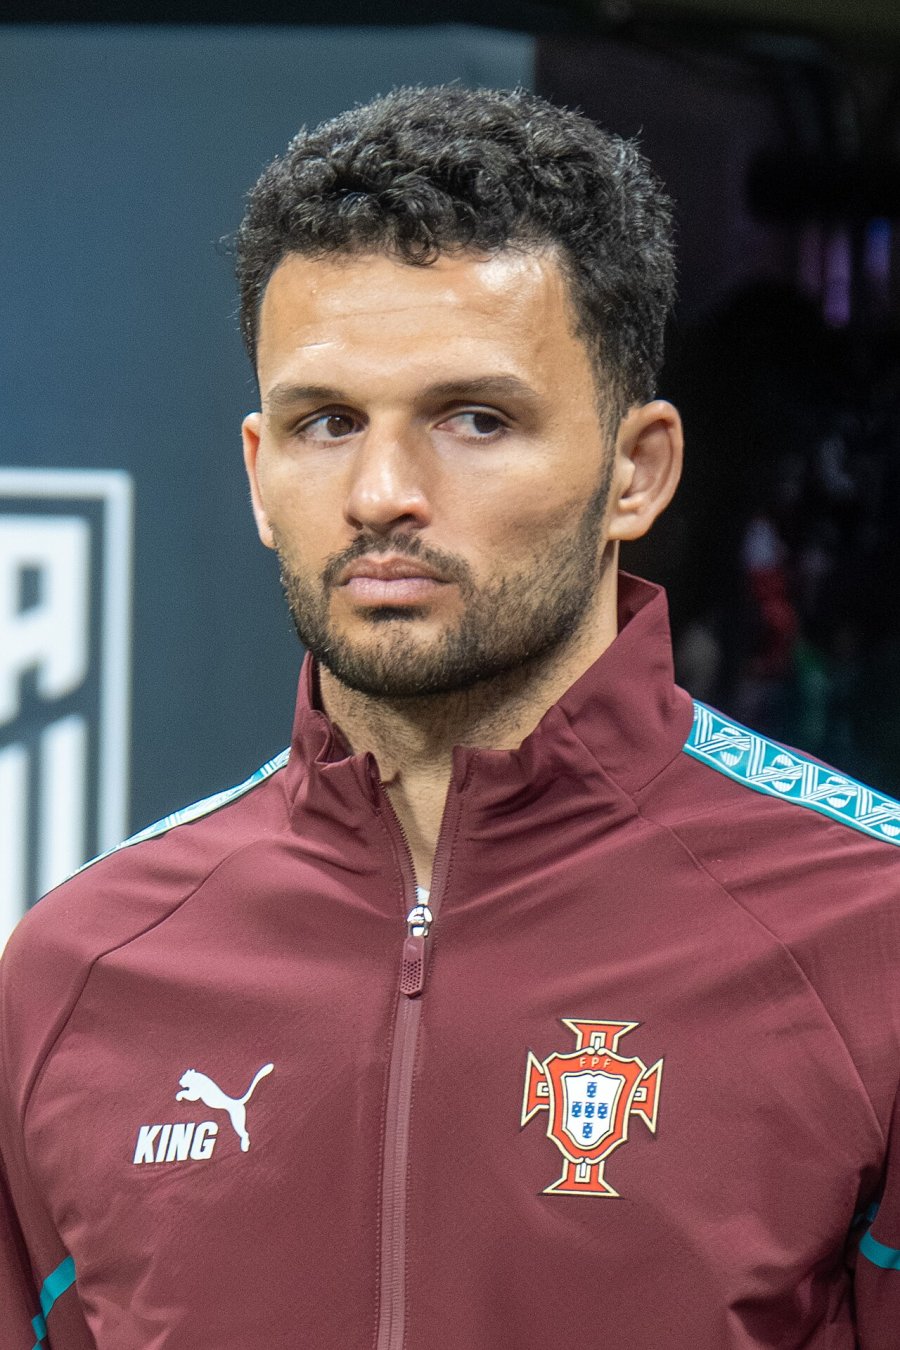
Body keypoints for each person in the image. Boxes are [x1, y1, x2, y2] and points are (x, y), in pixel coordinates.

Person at [2, 84, 899, 1350]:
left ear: (636, 470)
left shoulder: (869, 938)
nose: (382, 492)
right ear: (258, 475)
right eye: (326, 423)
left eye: (474, 419)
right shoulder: (79, 971)